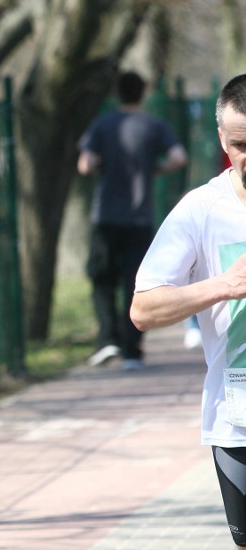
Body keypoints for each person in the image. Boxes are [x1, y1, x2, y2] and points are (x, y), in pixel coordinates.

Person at [130, 73, 246, 550]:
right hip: (239, 417)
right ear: (222, 138)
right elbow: (143, 308)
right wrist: (224, 285)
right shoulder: (201, 210)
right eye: (241, 144)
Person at [78, 70, 188, 370]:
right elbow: (178, 157)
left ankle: (107, 340)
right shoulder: (154, 125)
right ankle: (132, 352)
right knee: (135, 282)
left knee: (102, 278)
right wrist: (156, 170)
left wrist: (102, 163)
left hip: (106, 216)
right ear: (142, 93)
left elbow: (85, 165)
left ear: (117, 93)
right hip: (140, 218)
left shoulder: (102, 125)